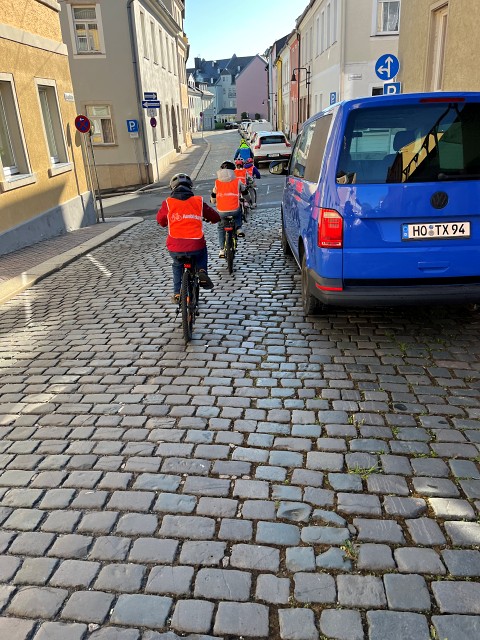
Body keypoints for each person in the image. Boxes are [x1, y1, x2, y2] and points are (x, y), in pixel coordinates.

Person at [157, 173, 220, 303]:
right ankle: (202, 270)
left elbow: (161, 221)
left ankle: (177, 293)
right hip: (196, 245)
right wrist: (213, 219)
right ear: (190, 187)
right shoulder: (198, 201)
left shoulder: (168, 203)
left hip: (176, 247)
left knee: (177, 265)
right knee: (202, 252)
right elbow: (214, 217)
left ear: (172, 188)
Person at [211, 161, 248, 258]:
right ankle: (239, 228)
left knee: (220, 228)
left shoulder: (217, 182)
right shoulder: (237, 181)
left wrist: (213, 201)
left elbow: (213, 197)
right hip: (235, 210)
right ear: (233, 171)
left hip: (221, 212)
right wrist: (247, 199)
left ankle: (222, 250)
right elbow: (244, 192)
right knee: (239, 211)